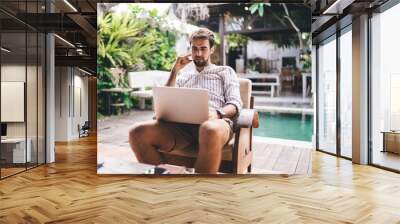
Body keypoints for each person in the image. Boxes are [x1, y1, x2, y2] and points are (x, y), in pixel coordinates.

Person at [129, 28, 242, 174]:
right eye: (194, 48)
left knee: (209, 129)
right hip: (183, 129)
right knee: (137, 132)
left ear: (212, 50)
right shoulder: (183, 76)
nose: (198, 53)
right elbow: (166, 100)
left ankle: (198, 190)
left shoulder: (225, 71)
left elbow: (235, 103)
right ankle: (159, 184)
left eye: (203, 48)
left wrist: (218, 114)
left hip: (216, 123)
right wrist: (174, 71)